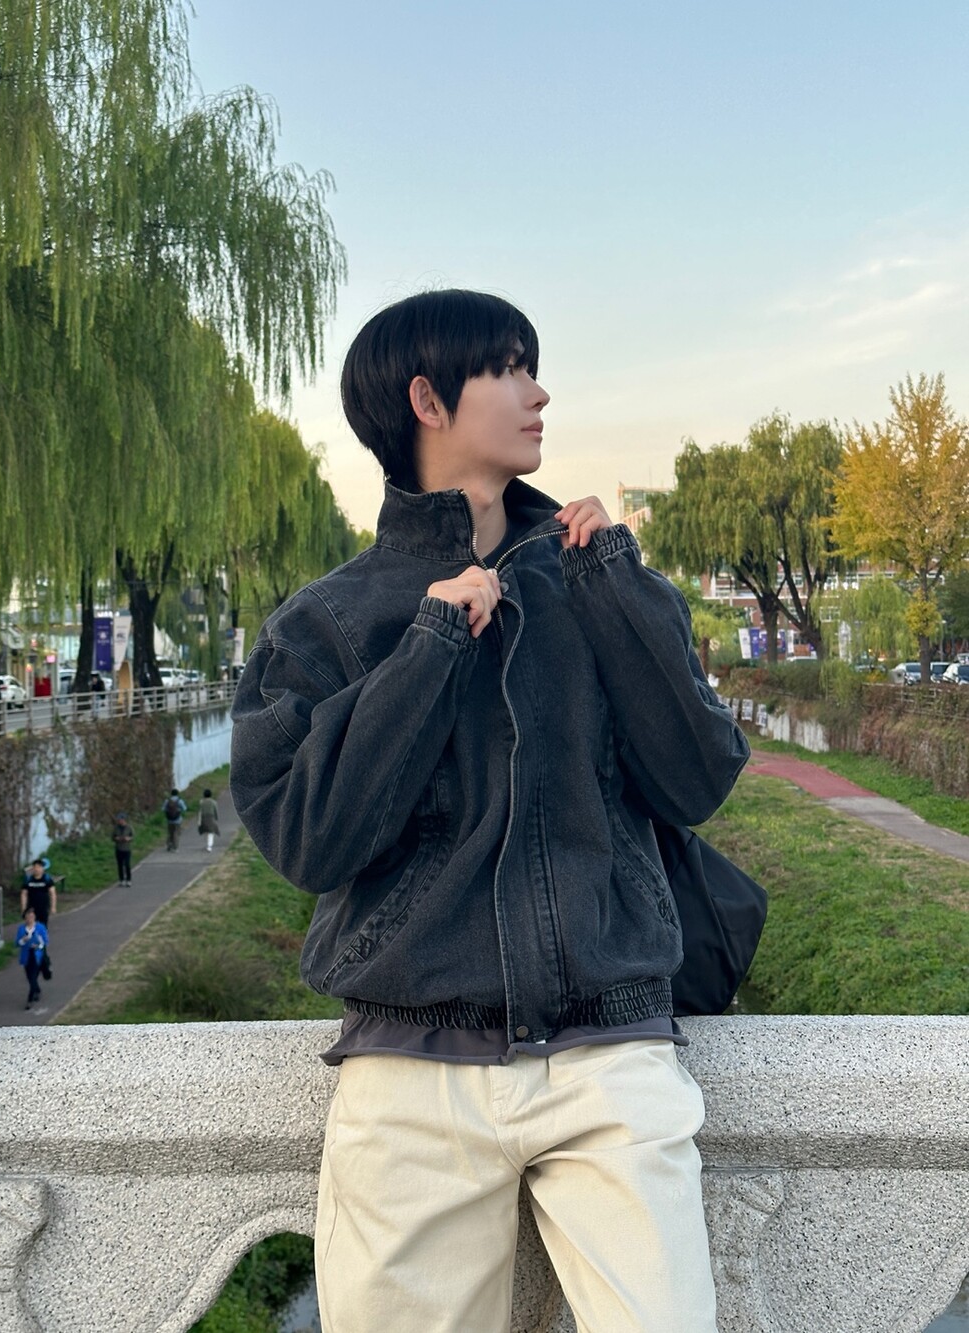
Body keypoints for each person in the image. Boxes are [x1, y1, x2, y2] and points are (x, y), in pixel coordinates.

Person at [230, 289, 749, 1333]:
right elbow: (309, 837)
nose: (538, 391)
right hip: (411, 1063)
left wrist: (616, 586)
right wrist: (428, 648)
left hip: (610, 1050)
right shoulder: (327, 622)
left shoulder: (592, 575)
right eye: (508, 367)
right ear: (427, 400)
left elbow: (699, 778)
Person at [15, 906, 49, 1008]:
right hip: (27, 956)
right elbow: (17, 943)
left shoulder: (40, 927)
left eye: (32, 917)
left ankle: (29, 1000)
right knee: (30, 978)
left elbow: (45, 941)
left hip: (37, 956)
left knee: (33, 977)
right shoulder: (21, 929)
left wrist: (38, 945)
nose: (30, 919)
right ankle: (37, 990)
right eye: (28, 917)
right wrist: (23, 940)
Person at [21, 858, 56, 925]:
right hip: (31, 908)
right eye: (35, 867)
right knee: (31, 926)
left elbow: (52, 893)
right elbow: (24, 894)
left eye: (39, 867)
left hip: (43, 907)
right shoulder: (28, 879)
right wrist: (23, 908)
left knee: (43, 926)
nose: (37, 869)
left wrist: (53, 907)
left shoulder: (47, 879)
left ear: (42, 868)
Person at [112, 813, 134, 885]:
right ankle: (121, 879)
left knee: (127, 864)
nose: (119, 821)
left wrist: (128, 838)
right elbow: (113, 837)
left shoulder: (129, 827)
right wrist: (116, 838)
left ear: (124, 820)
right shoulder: (116, 828)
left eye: (120, 820)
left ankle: (128, 879)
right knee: (120, 865)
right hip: (119, 849)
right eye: (118, 820)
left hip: (126, 849)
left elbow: (132, 836)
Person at [197, 789, 220, 853]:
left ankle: (207, 845)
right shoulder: (213, 802)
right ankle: (209, 846)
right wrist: (216, 818)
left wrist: (199, 821)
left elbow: (200, 812)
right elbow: (216, 811)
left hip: (204, 819)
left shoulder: (201, 802)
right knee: (211, 833)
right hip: (211, 818)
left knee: (205, 832)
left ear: (204, 795)